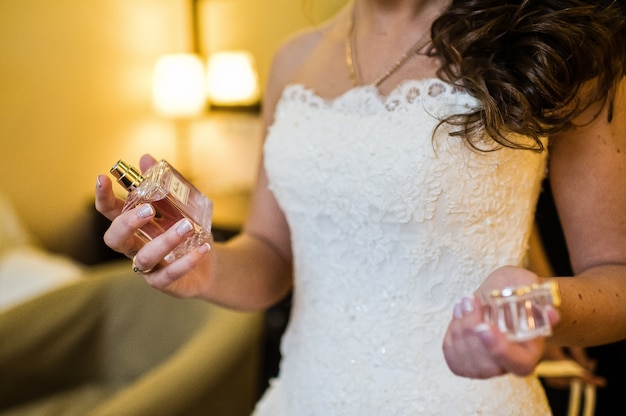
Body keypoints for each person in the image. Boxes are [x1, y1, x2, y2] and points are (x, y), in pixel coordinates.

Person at [95, 0, 626, 414]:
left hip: (468, 400)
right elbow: (272, 254)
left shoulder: (557, 43)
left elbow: (617, 278)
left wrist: (524, 308)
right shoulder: (293, 59)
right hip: (307, 396)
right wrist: (206, 268)